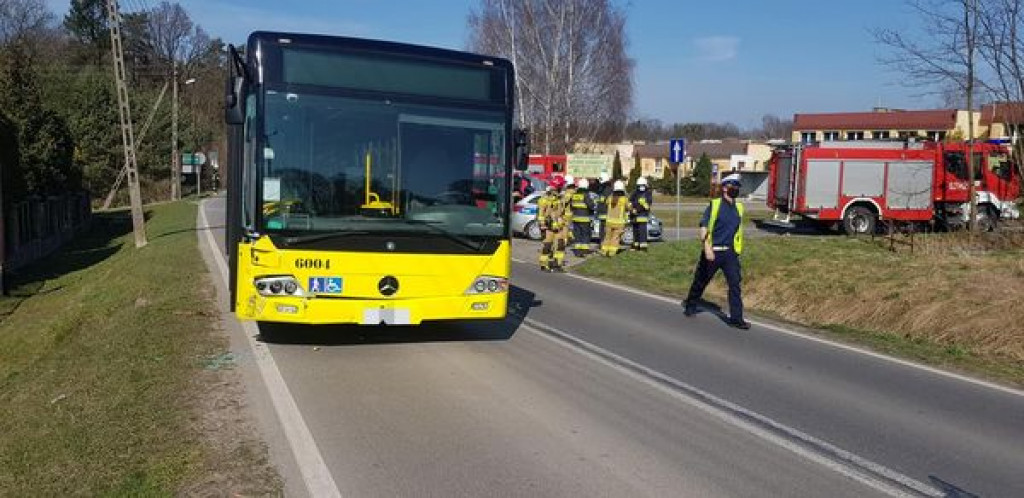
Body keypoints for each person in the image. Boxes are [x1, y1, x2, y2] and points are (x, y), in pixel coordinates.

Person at [683, 174, 749, 329]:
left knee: (735, 284)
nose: (737, 189)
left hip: (729, 254)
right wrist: (707, 248)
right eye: (734, 185)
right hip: (713, 251)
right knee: (701, 281)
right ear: (725, 187)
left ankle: (736, 319)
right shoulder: (715, 205)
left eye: (738, 186)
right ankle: (690, 304)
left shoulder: (739, 208)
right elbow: (703, 226)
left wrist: (736, 249)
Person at [537, 175, 569, 272]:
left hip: (559, 226)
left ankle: (557, 264)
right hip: (548, 227)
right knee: (547, 245)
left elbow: (563, 212)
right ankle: (544, 264)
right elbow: (541, 214)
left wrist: (564, 222)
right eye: (562, 185)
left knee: (560, 244)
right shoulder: (545, 199)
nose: (563, 187)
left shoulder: (561, 198)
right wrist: (542, 225)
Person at [601, 181, 629, 256]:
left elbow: (606, 204)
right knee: (615, 238)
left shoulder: (610, 198)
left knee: (607, 237)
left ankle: (604, 251)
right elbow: (628, 208)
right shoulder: (624, 199)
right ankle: (611, 252)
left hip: (609, 222)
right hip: (619, 223)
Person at [570, 178, 596, 257]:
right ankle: (584, 250)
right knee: (585, 234)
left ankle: (577, 251)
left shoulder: (574, 195)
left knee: (577, 235)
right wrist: (593, 204)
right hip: (584, 218)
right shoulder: (585, 194)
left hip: (575, 218)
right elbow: (590, 205)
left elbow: (572, 206)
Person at [629, 177, 653, 251]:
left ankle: (643, 247)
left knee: (642, 232)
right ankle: (635, 245)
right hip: (634, 215)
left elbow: (648, 205)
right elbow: (630, 202)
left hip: (642, 215)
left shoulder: (648, 193)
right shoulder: (634, 193)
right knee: (635, 231)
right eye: (640, 185)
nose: (641, 187)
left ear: (645, 185)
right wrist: (632, 209)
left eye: (642, 185)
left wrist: (642, 205)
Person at [594, 172, 613, 243]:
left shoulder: (607, 190)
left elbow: (606, 202)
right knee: (602, 230)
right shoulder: (602, 189)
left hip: (607, 214)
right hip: (602, 214)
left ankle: (604, 243)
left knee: (605, 230)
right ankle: (602, 243)